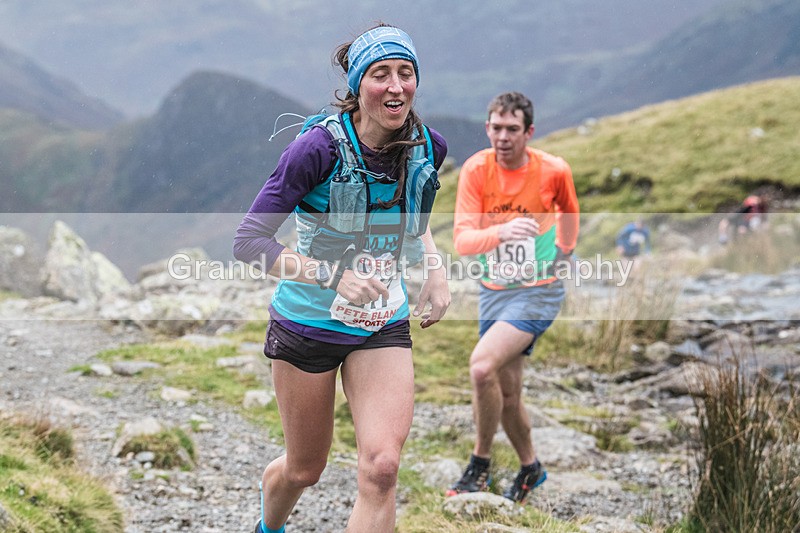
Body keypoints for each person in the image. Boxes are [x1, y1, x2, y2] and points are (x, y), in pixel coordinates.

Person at [233, 24, 450, 533]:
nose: (396, 86)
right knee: (305, 469)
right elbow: (249, 243)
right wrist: (332, 276)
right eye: (381, 75)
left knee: (383, 468)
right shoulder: (315, 151)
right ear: (358, 86)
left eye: (406, 73)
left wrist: (435, 271)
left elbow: (413, 221)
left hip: (380, 323)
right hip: (307, 325)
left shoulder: (427, 148)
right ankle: (270, 523)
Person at [449, 92, 579, 503]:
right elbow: (463, 241)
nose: (502, 137)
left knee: (481, 368)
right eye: (495, 128)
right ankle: (530, 468)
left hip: (537, 291)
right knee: (507, 394)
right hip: (493, 290)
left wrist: (563, 254)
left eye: (512, 129)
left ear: (529, 132)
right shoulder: (475, 170)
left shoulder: (552, 170)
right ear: (487, 128)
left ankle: (479, 465)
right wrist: (500, 233)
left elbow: (570, 211)